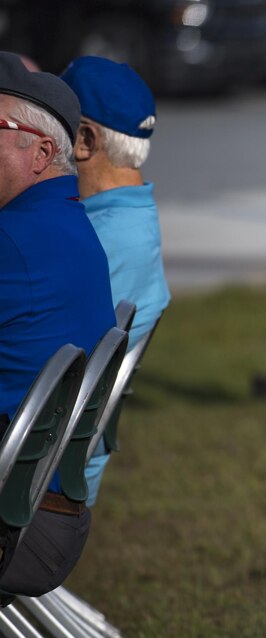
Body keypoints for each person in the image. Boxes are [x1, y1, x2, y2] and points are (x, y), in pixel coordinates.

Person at [0, 51, 115, 596]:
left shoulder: (17, 243)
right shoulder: (63, 225)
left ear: (41, 151)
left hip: (17, 521)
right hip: (43, 506)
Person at [60, 56, 171, 506]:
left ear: (85, 139)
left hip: (38, 484)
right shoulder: (133, 219)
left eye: (50, 124)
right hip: (61, 470)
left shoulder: (99, 242)